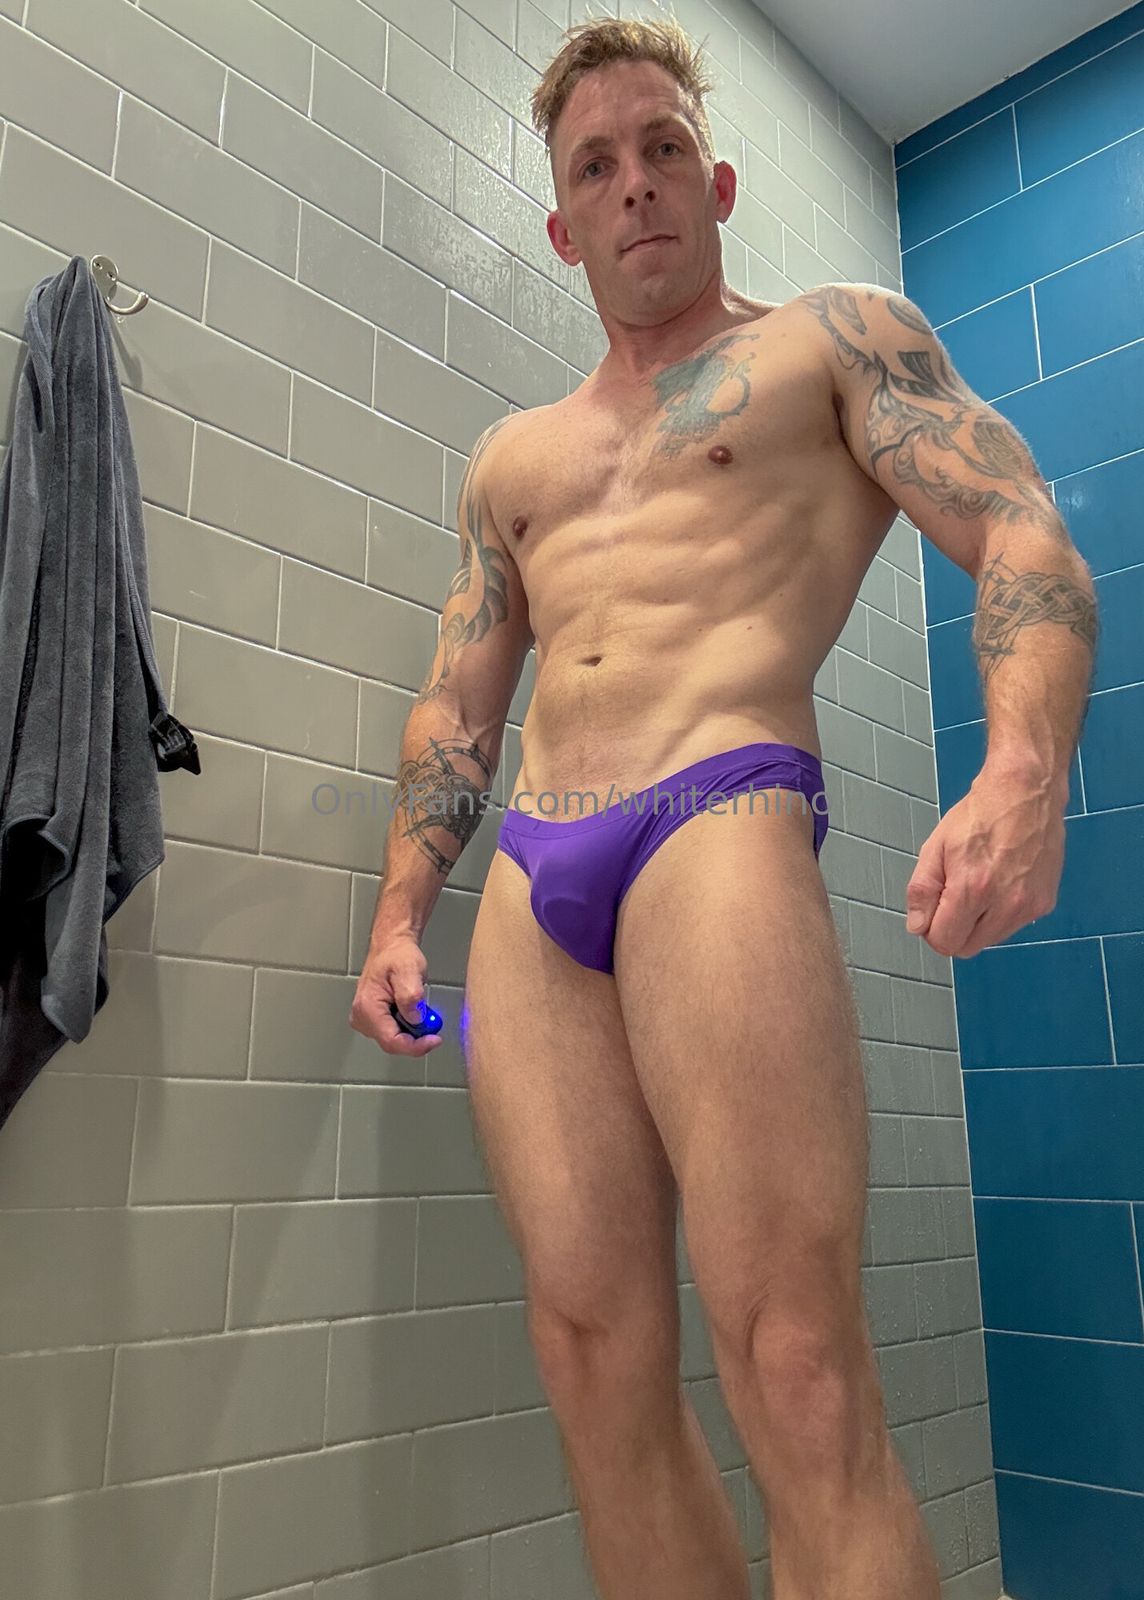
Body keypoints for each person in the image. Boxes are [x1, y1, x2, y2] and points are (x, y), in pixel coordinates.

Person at [350, 16, 1097, 1599]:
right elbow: (457, 703)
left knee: (797, 1363)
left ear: (718, 180)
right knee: (587, 1353)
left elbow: (1021, 529)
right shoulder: (513, 462)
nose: (634, 184)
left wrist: (1025, 768)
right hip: (534, 870)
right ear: (562, 225)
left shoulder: (833, 343)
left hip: (719, 804)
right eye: (595, 166)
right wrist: (401, 914)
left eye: (662, 148)